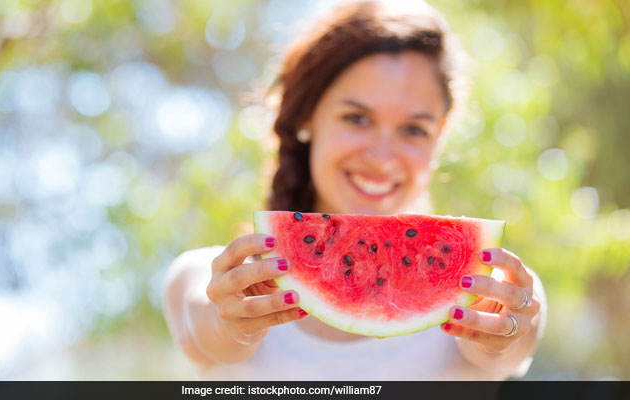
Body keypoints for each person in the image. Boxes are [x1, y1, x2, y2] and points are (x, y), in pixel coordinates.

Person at [163, 0, 546, 380]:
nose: (381, 157)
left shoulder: (494, 293)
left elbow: (505, 351)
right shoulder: (201, 279)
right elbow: (208, 329)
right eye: (357, 118)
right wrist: (229, 321)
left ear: (439, 137)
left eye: (414, 129)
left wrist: (506, 332)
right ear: (307, 116)